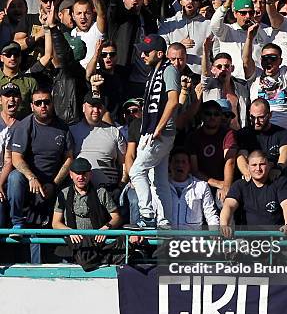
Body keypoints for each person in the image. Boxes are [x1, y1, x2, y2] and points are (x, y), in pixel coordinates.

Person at [7, 87, 74, 260]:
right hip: (29, 182)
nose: (43, 106)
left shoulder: (63, 127)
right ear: (32, 106)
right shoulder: (24, 126)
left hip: (54, 183)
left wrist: (54, 184)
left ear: (52, 104)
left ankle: (70, 256)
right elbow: (16, 158)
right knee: (14, 178)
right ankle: (17, 223)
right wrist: (32, 177)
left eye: (46, 102)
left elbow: (69, 159)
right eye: (38, 103)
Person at [129, 34, 181, 229]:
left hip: (161, 132)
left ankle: (147, 214)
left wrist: (158, 128)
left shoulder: (168, 70)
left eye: (146, 51)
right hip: (155, 130)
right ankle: (165, 221)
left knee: (136, 170)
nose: (142, 55)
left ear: (160, 53)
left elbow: (174, 100)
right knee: (159, 180)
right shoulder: (154, 70)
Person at [52, 156, 125, 271]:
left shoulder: (101, 192)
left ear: (90, 174)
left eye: (84, 173)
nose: (81, 177)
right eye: (77, 173)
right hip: (72, 246)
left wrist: (106, 228)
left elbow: (117, 217)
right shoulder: (63, 194)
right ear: (71, 174)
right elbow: (55, 223)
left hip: (98, 244)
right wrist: (70, 232)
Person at [220, 149, 287, 242]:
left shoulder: (280, 182)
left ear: (268, 165)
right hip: (249, 241)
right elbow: (229, 205)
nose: (258, 169)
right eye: (254, 165)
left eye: (262, 164)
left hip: (276, 241)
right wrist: (224, 225)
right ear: (248, 167)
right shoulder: (240, 185)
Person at [69, 92, 127, 191]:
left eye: (99, 106)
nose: (96, 110)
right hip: (80, 193)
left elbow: (124, 162)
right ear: (83, 107)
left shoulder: (114, 132)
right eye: (92, 106)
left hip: (110, 192)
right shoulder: (72, 131)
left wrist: (121, 184)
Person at [185, 100, 237, 208]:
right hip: (200, 182)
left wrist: (226, 186)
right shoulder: (193, 136)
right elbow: (194, 170)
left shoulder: (228, 133)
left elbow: (230, 161)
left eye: (216, 114)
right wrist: (218, 183)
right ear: (202, 116)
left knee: (225, 202)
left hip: (224, 182)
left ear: (220, 117)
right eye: (208, 113)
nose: (212, 117)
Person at [236, 98, 287, 181]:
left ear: (270, 115)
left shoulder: (282, 133)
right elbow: (241, 155)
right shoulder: (244, 133)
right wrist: (247, 173)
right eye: (252, 117)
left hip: (274, 179)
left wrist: (278, 168)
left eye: (261, 117)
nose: (256, 121)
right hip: (250, 181)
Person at [158, 0, 211, 74]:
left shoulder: (208, 24)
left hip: (199, 74)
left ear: (199, 3)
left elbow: (216, 50)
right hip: (173, 72)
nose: (190, 1)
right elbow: (160, 48)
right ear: (180, 1)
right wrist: (178, 47)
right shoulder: (168, 23)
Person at [166, 147, 219, 229]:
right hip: (166, 239)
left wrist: (215, 231)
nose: (180, 165)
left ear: (189, 166)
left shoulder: (201, 186)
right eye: (177, 162)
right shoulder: (161, 187)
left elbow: (211, 214)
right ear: (169, 165)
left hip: (192, 240)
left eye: (184, 162)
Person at [0, 82, 21, 227]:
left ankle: (17, 224)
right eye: (7, 96)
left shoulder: (23, 126)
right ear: (0, 99)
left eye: (15, 96)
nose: (11, 99)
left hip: (10, 178)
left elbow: (10, 160)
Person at [0, 41, 37, 118]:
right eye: (8, 54)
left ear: (20, 58)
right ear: (1, 58)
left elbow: (36, 108)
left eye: (16, 54)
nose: (12, 58)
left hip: (22, 127)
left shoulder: (30, 82)